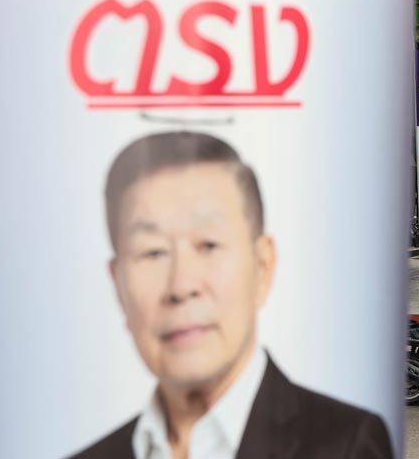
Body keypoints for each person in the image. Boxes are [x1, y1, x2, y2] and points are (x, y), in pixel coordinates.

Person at [70, 132, 392, 459]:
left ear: (263, 267)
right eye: (152, 252)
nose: (182, 286)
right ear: (118, 286)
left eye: (208, 245)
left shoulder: (347, 443)